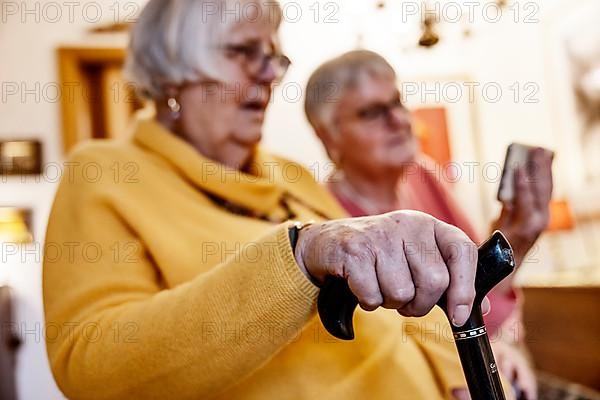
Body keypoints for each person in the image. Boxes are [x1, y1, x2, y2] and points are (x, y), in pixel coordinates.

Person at [42, 1, 506, 399]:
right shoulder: (105, 173)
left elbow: (400, 315)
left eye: (273, 57)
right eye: (244, 52)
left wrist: (463, 369)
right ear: (170, 72)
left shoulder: (291, 175)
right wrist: (298, 257)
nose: (269, 75)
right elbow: (90, 366)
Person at [305, 50, 553, 400]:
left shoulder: (424, 175)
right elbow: (384, 347)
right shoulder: (324, 222)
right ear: (328, 137)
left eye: (397, 102)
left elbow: (473, 296)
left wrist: (517, 240)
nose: (397, 120)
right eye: (372, 112)